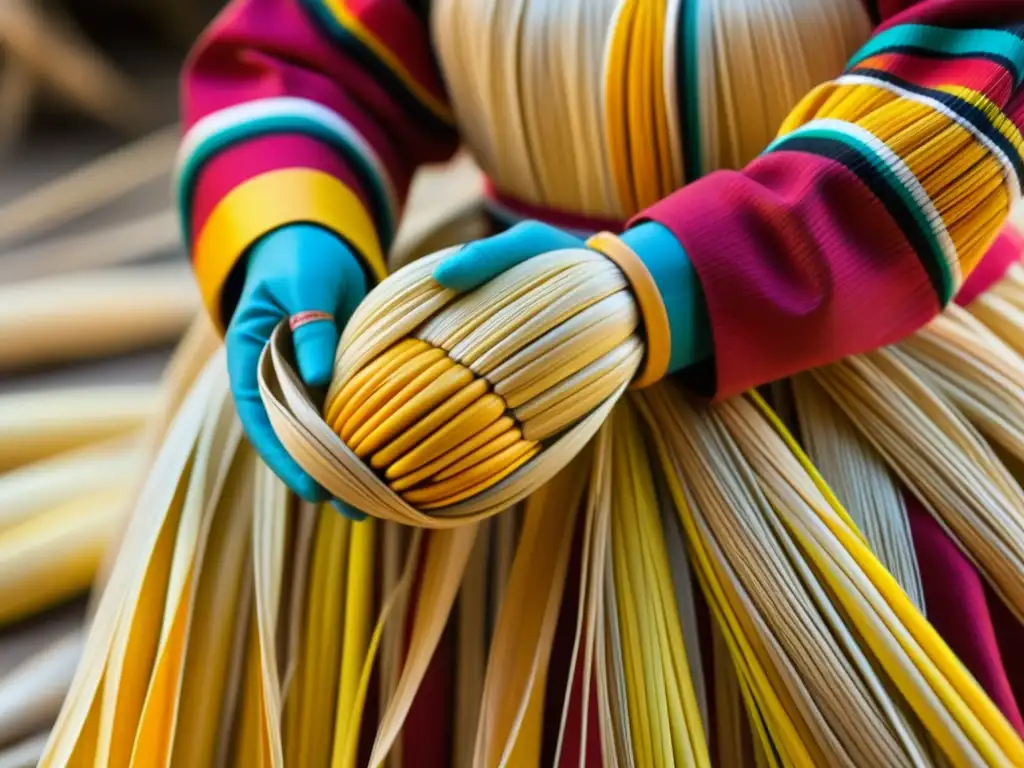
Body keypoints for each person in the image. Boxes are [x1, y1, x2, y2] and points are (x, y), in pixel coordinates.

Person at [176, 0, 1024, 762]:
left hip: (863, 385)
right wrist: (288, 221)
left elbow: (971, 67)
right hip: (471, 391)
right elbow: (311, 43)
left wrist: (670, 278)